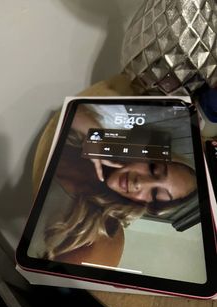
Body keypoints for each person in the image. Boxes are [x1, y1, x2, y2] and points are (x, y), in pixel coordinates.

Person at [36, 104, 197, 266]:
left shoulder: (97, 228)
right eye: (153, 168)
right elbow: (66, 110)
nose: (140, 182)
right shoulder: (101, 135)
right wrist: (98, 138)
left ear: (148, 203)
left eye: (155, 193)